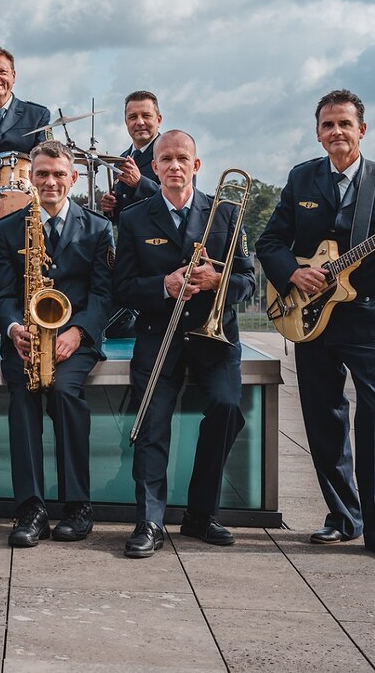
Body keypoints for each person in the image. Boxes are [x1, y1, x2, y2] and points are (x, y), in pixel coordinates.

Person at [256, 89, 375, 560]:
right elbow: (269, 240)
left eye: (344, 125)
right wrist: (292, 271)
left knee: (373, 418)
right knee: (323, 418)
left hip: (367, 320)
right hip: (311, 318)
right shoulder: (301, 178)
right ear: (318, 132)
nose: (336, 133)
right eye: (328, 125)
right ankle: (342, 516)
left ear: (362, 131)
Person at [114, 130, 255, 558]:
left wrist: (217, 281)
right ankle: (150, 521)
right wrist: (164, 285)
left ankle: (201, 512)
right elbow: (122, 288)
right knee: (153, 423)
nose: (174, 166)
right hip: (160, 335)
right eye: (165, 159)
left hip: (214, 337)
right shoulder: (134, 218)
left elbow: (248, 282)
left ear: (196, 166)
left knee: (228, 408)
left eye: (182, 158)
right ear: (153, 168)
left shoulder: (227, 214)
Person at [0, 140, 114, 547]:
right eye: (42, 173)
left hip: (76, 337)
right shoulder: (9, 229)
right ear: (30, 178)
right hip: (25, 338)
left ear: (74, 178)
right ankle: (31, 508)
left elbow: (103, 294)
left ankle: (78, 506)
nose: (50, 181)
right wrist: (12, 330)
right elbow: (2, 296)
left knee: (63, 392)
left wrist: (78, 332)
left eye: (59, 174)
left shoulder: (98, 228)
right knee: (23, 398)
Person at [100, 90, 162, 220]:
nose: (139, 122)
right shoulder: (121, 160)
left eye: (146, 116)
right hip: (127, 236)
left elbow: (180, 199)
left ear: (159, 120)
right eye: (133, 117)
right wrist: (110, 207)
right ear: (126, 122)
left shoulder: (170, 154)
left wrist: (140, 183)